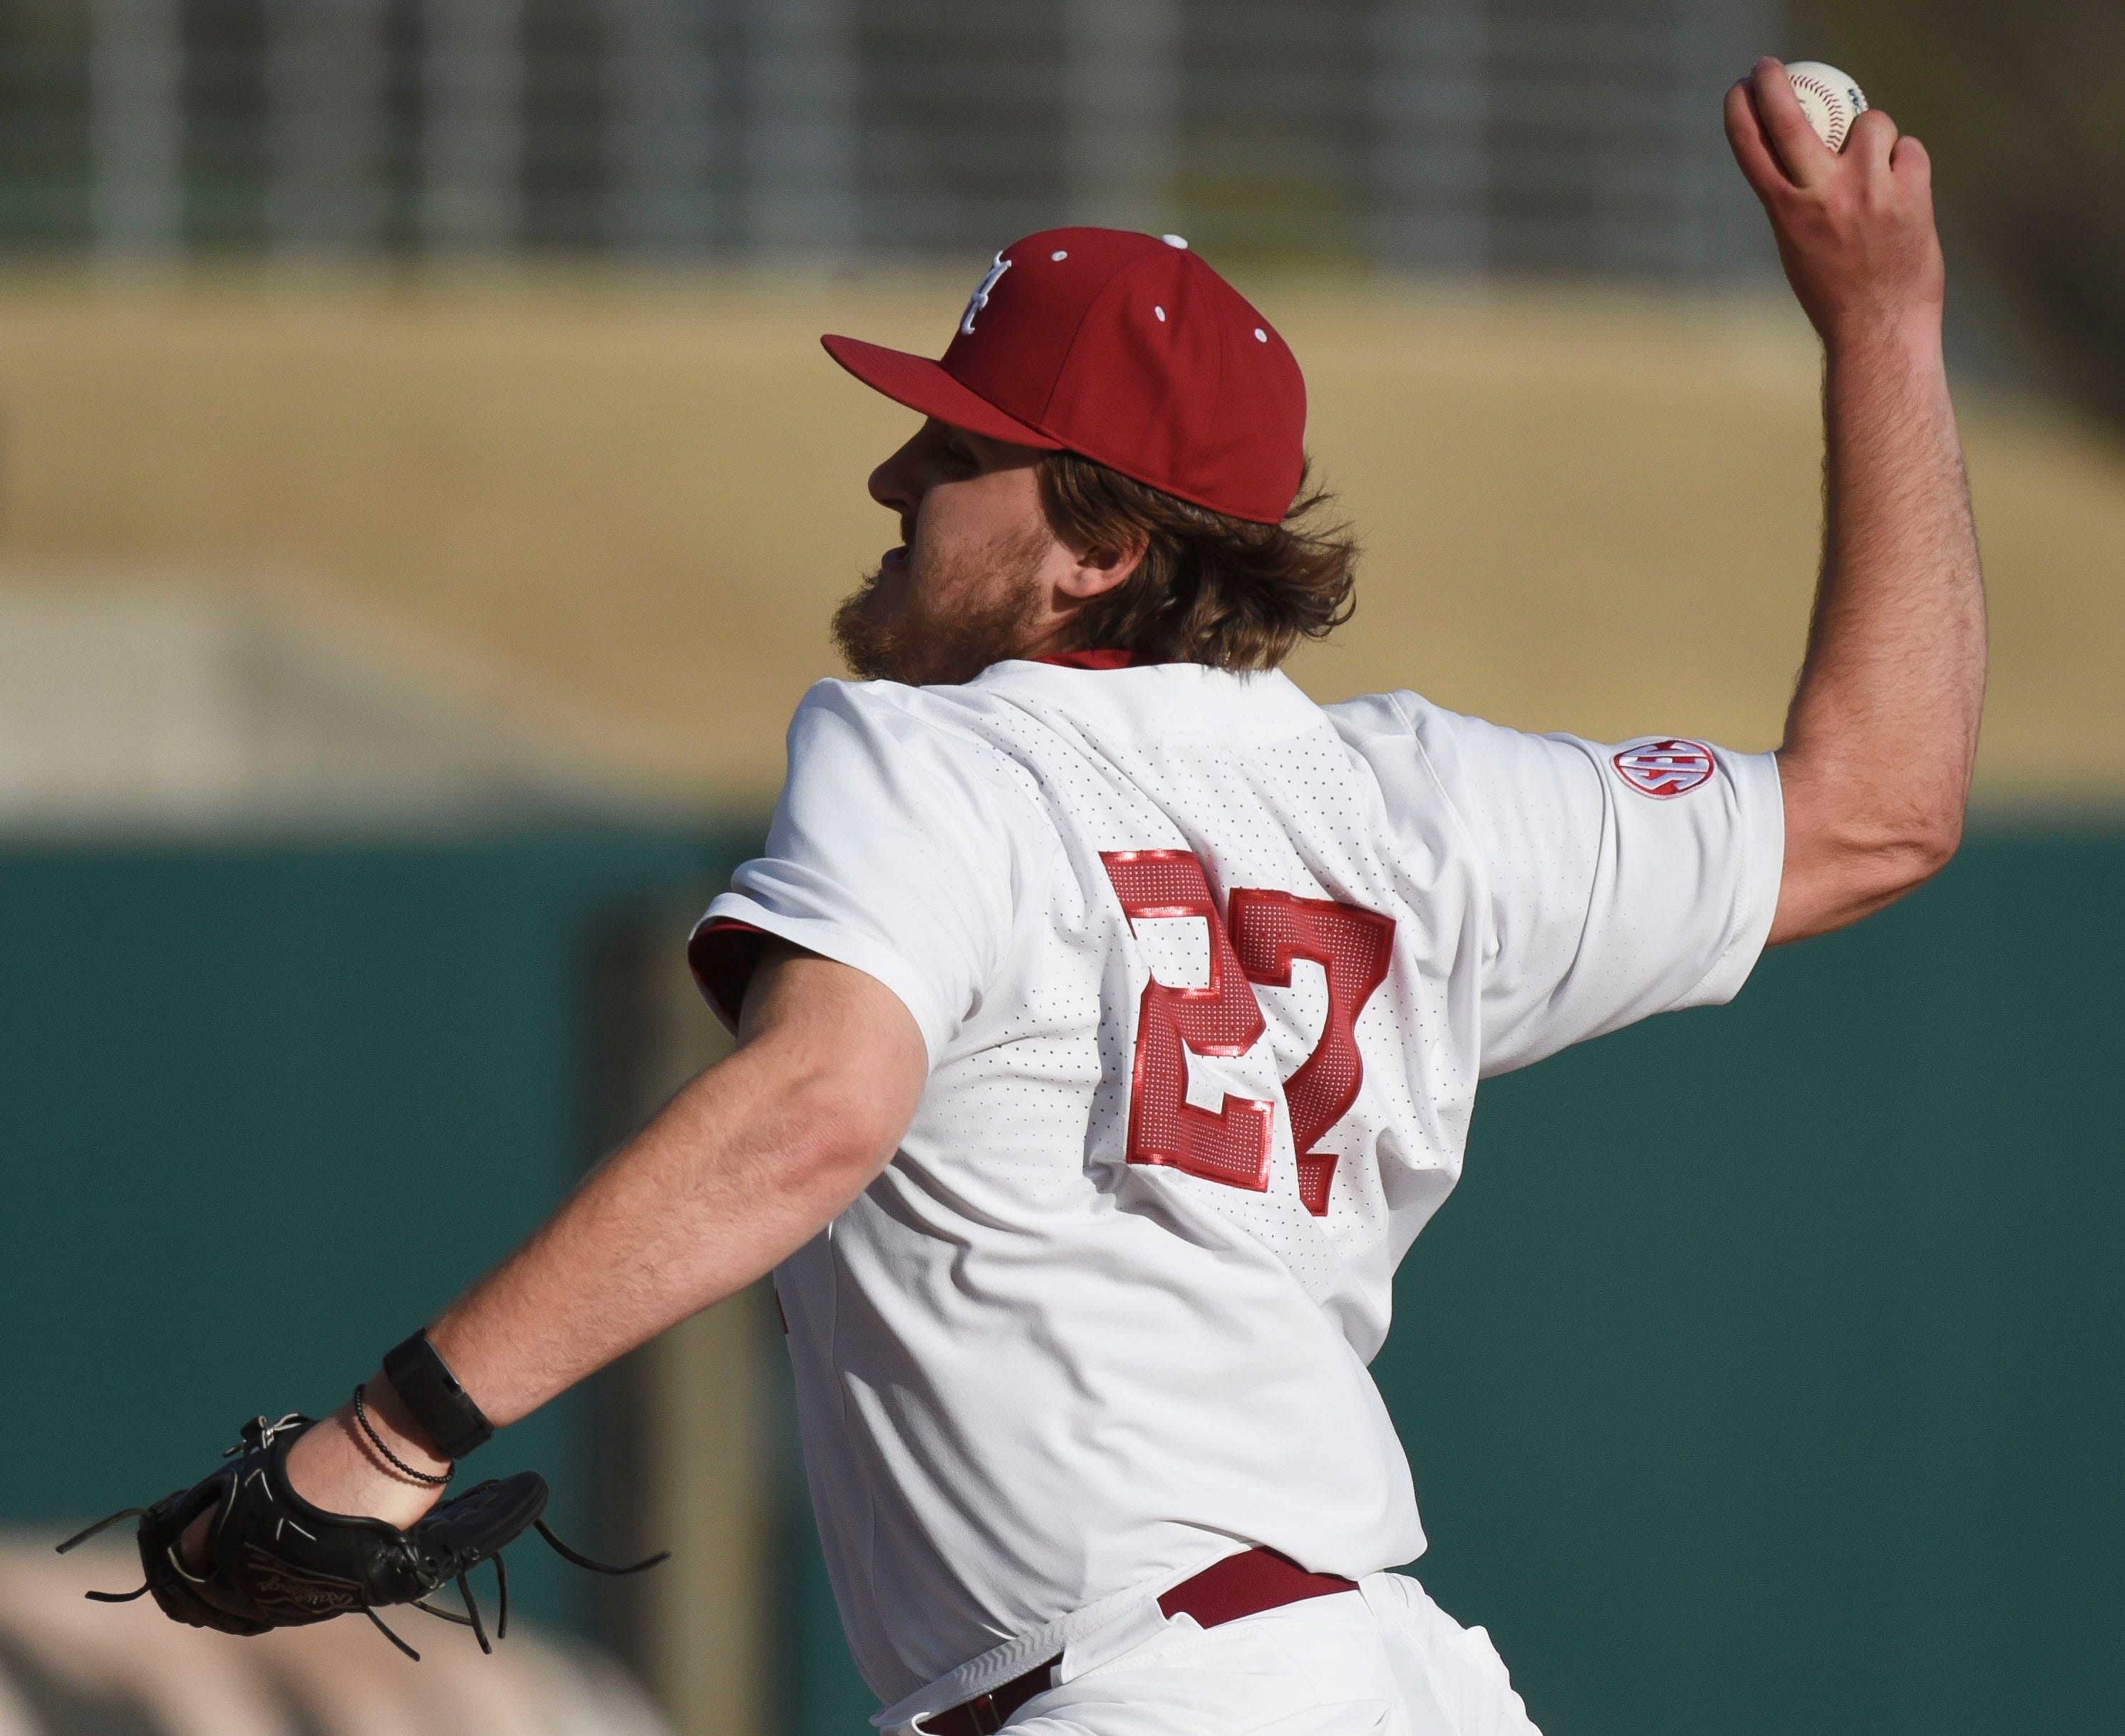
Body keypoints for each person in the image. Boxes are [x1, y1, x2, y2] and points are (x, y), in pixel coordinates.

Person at [180, 59, 1982, 1735]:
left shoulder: (938, 757)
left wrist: (393, 1434)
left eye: (959, 454)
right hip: (1395, 1681)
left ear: (1102, 548)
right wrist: (1885, 325)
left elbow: (813, 1106)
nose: (894, 476)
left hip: (1145, 1693)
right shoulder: (1416, 808)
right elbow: (1875, 815)